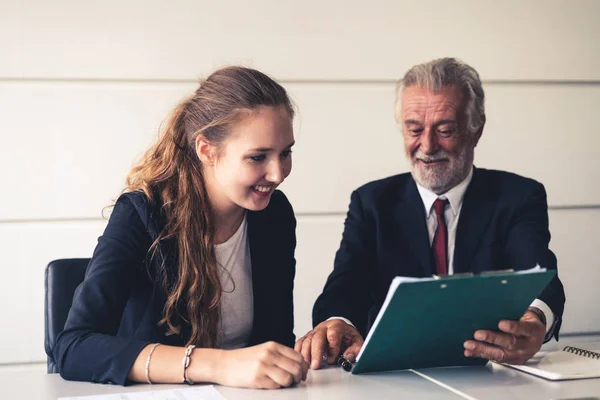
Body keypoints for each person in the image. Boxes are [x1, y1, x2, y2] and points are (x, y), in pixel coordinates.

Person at [296, 57, 566, 369]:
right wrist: (336, 322)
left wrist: (535, 320)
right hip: (391, 378)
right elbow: (346, 282)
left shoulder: (518, 196)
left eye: (445, 130)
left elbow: (540, 274)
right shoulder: (371, 202)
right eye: (414, 129)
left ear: (475, 131)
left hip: (491, 376)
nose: (427, 145)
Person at [53, 66, 308, 389]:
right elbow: (73, 348)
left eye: (285, 153)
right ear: (206, 150)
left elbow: (275, 340)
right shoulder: (142, 213)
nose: (278, 173)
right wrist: (217, 364)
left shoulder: (275, 215)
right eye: (258, 157)